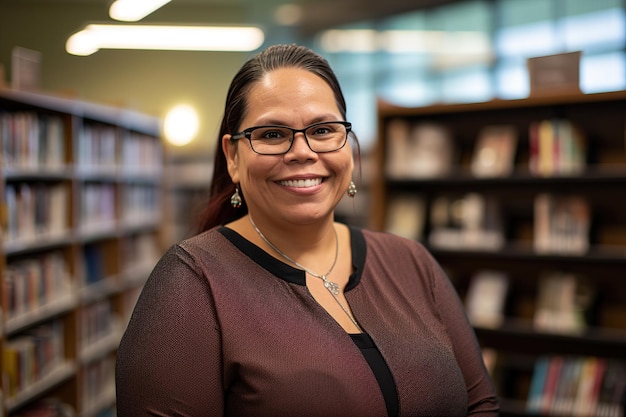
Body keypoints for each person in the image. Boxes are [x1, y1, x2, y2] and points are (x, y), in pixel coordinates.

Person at [115, 43, 499, 417]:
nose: (302, 151)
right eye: (271, 135)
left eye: (323, 130)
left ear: (346, 143)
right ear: (233, 156)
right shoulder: (191, 284)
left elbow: (479, 404)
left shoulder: (411, 262)